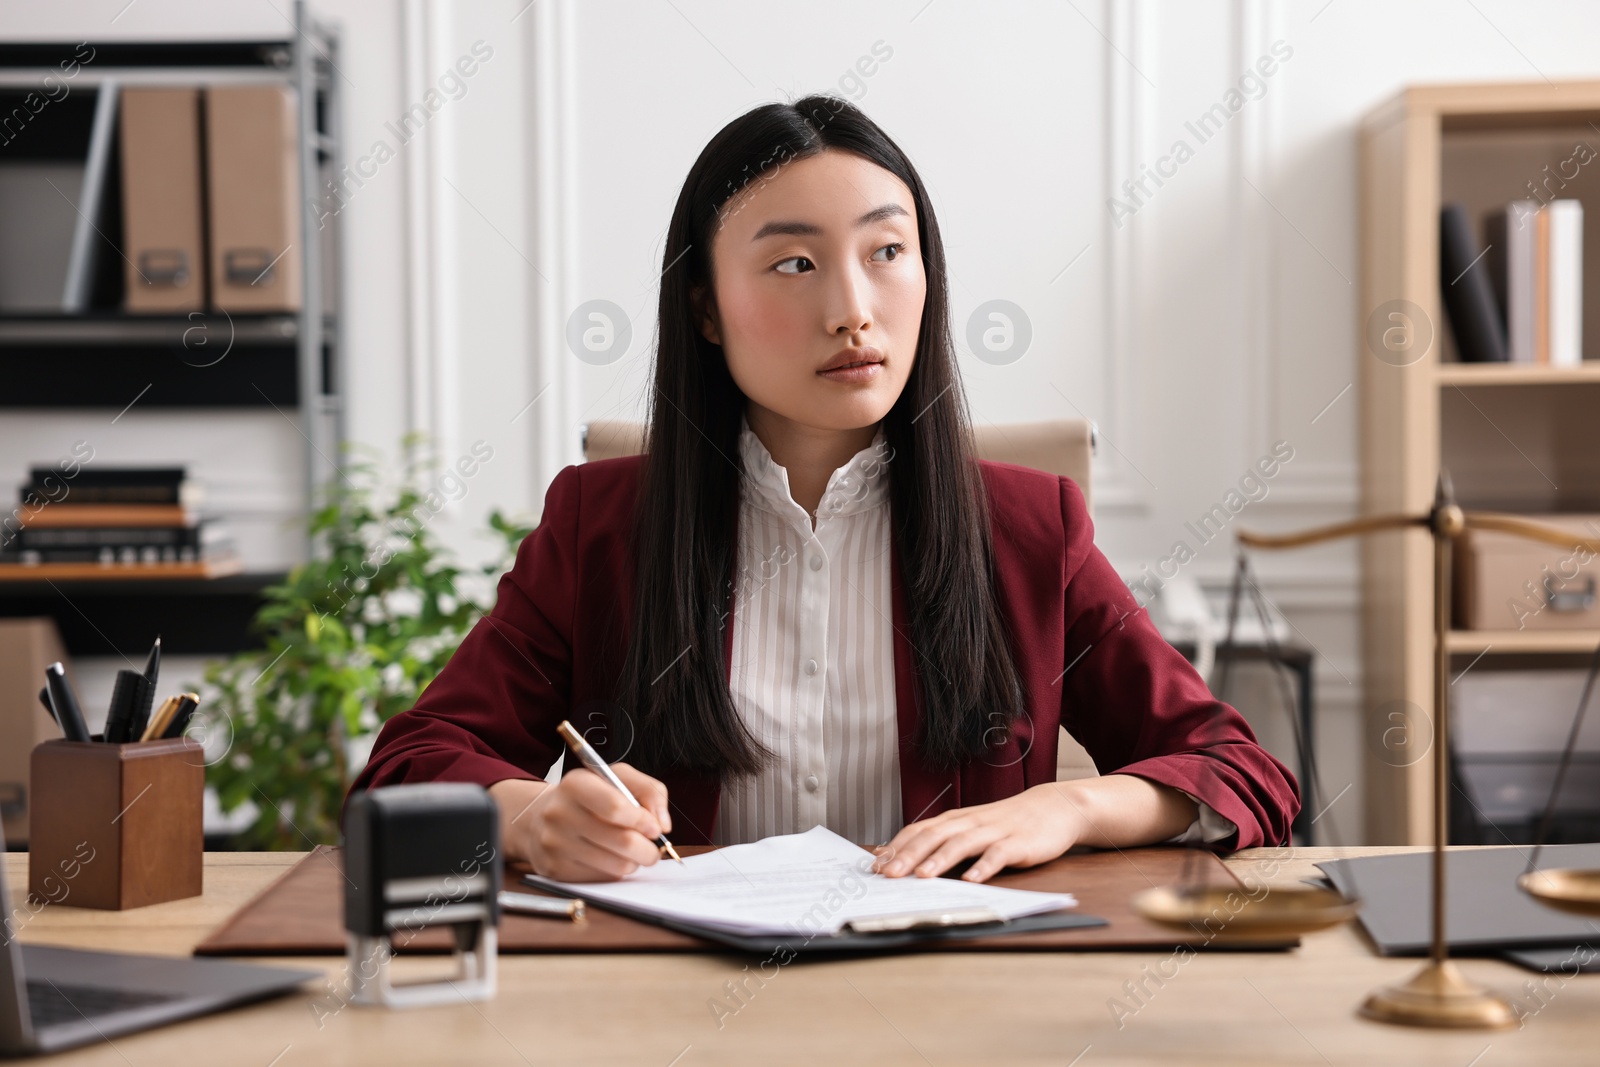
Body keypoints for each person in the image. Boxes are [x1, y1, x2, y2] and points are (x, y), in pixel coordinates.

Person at [348, 94, 1298, 884]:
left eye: (887, 252)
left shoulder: (1028, 528)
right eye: (795, 263)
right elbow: (403, 773)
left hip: (961, 1000)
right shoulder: (601, 527)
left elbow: (1242, 772)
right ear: (705, 311)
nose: (852, 309)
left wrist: (1066, 806)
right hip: (670, 1002)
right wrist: (529, 813)